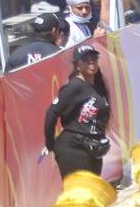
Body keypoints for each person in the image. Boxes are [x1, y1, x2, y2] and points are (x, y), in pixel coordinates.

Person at [40, 43, 111, 177]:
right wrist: (50, 143)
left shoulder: (97, 85)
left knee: (92, 192)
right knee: (78, 193)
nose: (91, 63)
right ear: (77, 65)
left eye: (94, 59)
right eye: (86, 60)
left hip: (93, 148)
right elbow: (52, 113)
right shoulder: (74, 87)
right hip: (74, 148)